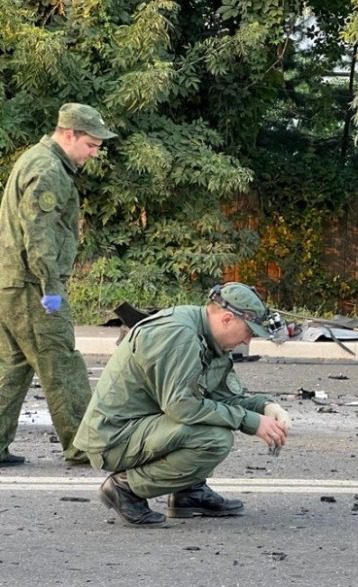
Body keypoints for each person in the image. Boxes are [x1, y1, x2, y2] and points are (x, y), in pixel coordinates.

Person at [73, 282, 292, 526]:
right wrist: (249, 422)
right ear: (227, 319)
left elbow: (221, 396)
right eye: (249, 331)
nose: (247, 341)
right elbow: (183, 406)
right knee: (213, 439)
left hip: (142, 427)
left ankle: (189, 493)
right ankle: (125, 488)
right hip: (113, 438)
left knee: (212, 421)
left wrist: (265, 408)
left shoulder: (209, 337)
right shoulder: (180, 335)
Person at [0, 103, 117, 467]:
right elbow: (40, 234)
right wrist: (51, 287)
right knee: (61, 364)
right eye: (92, 144)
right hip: (34, 286)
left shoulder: (36, 160)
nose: (94, 153)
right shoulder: (48, 169)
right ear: (70, 135)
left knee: (13, 366)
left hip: (13, 283)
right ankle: (85, 446)